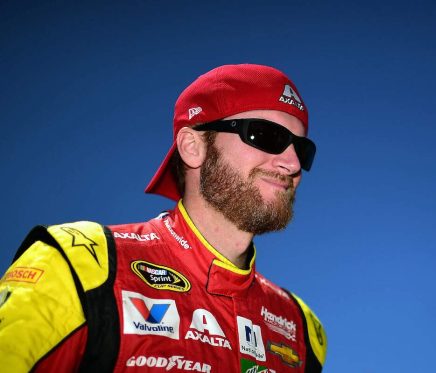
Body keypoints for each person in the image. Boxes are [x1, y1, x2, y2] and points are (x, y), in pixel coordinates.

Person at [0, 64, 327, 372]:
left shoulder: (299, 326)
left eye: (302, 149)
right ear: (192, 146)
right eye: (267, 136)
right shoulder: (82, 262)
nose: (292, 163)